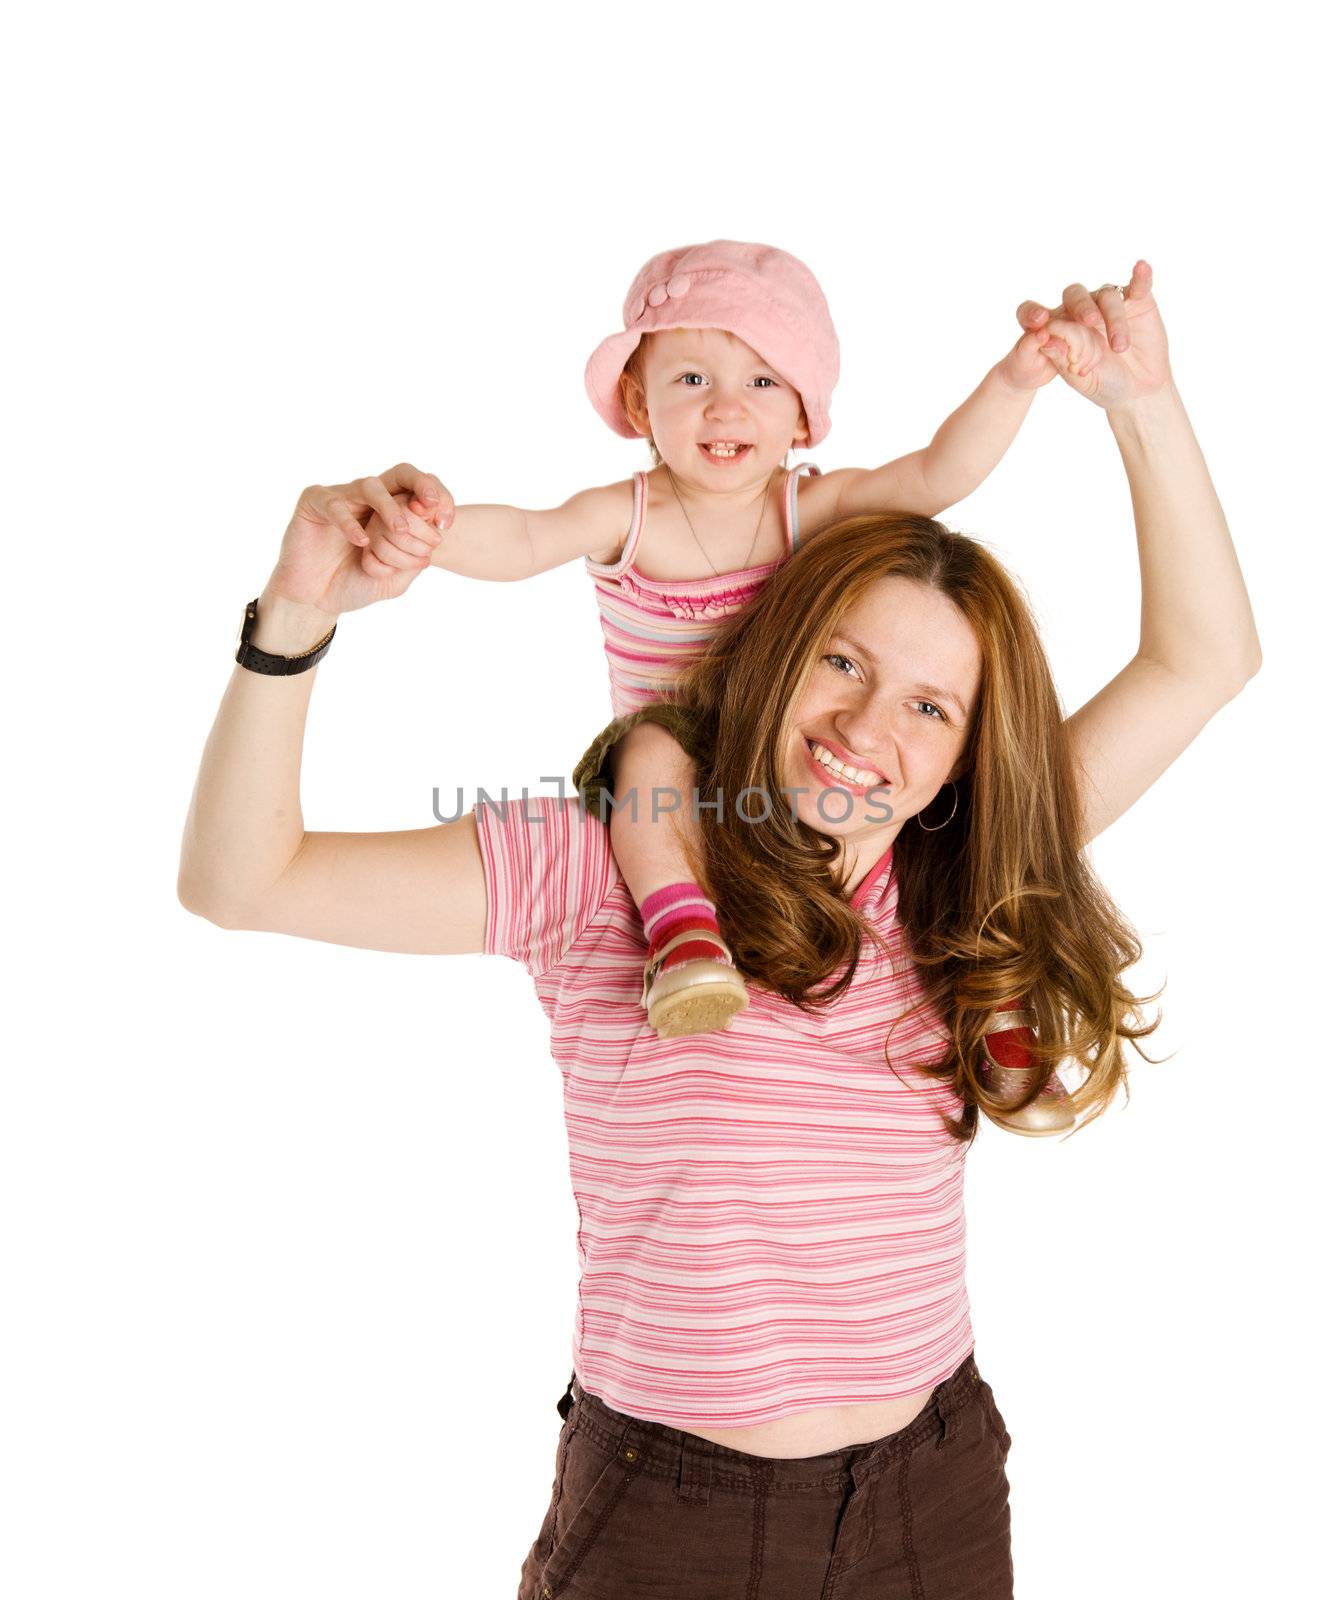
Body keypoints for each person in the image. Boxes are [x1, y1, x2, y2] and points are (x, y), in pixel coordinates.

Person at [177, 263, 1259, 1596]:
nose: (870, 732)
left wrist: (1137, 400)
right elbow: (242, 881)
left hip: (933, 1488)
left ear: (969, 754)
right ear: (777, 644)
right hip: (670, 1516)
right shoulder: (603, 867)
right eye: (846, 664)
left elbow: (1202, 658)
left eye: (931, 709)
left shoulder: (954, 871)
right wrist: (293, 620)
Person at [349, 238, 1078, 1133]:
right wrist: (433, 532)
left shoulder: (807, 508)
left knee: (944, 825)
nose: (727, 408)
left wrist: (1015, 379)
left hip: (800, 760)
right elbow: (527, 539)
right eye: (691, 378)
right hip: (683, 767)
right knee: (652, 746)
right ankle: (684, 934)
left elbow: (935, 475)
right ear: (637, 400)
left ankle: (1000, 1000)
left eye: (764, 384)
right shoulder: (629, 512)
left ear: (805, 417)